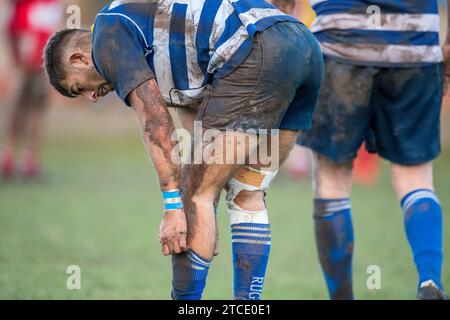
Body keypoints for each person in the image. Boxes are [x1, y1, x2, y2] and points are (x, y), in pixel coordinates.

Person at [43, 0, 323, 300]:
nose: (91, 97)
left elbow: (154, 121)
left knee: (192, 195)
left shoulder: (107, 34)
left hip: (258, 48)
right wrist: (205, 216)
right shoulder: (153, 39)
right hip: (301, 46)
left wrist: (175, 206)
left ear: (79, 58)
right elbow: (198, 127)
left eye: (79, 88)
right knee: (247, 193)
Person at [298, 0, 448, 299]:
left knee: (332, 182)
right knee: (415, 178)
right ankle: (430, 280)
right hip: (416, 47)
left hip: (340, 45)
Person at [1, 0, 62, 180]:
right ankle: (9, 155)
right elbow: (12, 28)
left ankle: (30, 158)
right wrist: (17, 56)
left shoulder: (51, 4)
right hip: (25, 63)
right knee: (18, 108)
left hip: (44, 64)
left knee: (37, 110)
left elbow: (56, 29)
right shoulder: (23, 4)